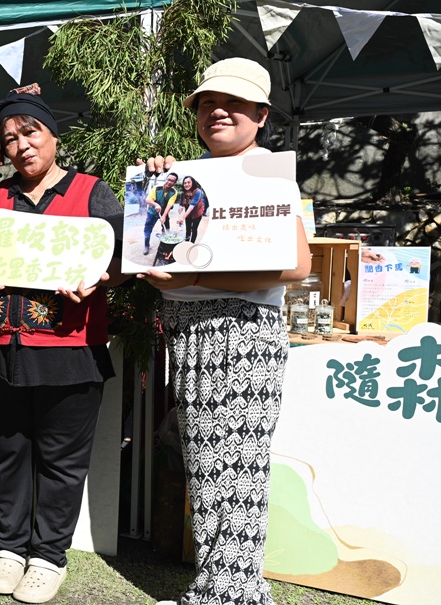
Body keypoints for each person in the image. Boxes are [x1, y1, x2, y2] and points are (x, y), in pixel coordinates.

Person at [138, 57, 310, 605]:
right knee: (210, 467)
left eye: (234, 103)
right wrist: (155, 183)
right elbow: (154, 242)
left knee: (233, 470)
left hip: (240, 331)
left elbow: (296, 264)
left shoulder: (267, 173)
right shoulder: (192, 176)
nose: (218, 112)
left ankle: (228, 596)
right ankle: (226, 592)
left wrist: (191, 275)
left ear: (261, 114)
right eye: (208, 103)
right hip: (191, 331)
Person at [0, 91, 125, 604]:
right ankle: (10, 548)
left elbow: (119, 265)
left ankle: (48, 556)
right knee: (6, 454)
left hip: (70, 349)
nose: (21, 146)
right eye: (10, 139)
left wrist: (102, 281)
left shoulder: (93, 195)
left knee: (61, 461)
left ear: (52, 136)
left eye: (31, 133)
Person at [162, 175, 207, 243]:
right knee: (188, 228)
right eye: (185, 183)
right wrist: (181, 207)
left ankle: (191, 243)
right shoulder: (183, 193)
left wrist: (182, 218)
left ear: (192, 183)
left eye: (189, 182)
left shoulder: (197, 192)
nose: (186, 184)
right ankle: (186, 242)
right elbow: (182, 203)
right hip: (188, 215)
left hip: (197, 214)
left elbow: (191, 206)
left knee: (194, 229)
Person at [143, 172, 179, 254]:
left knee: (166, 228)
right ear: (166, 179)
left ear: (175, 183)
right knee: (148, 228)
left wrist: (164, 216)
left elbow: (170, 205)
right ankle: (146, 245)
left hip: (164, 212)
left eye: (172, 181)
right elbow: (148, 200)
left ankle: (164, 245)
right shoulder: (157, 188)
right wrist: (156, 204)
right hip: (152, 212)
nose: (169, 182)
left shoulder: (174, 192)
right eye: (168, 179)